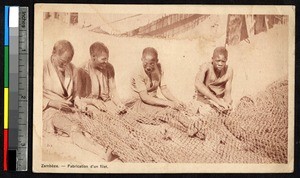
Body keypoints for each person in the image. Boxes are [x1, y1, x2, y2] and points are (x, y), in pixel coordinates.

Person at [43, 40, 108, 161]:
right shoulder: (42, 67)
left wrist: (82, 105)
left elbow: (76, 97)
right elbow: (32, 96)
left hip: (69, 109)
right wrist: (52, 103)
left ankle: (106, 145)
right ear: (53, 53)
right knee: (74, 128)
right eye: (62, 61)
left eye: (68, 62)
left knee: (90, 123)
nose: (65, 65)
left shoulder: (72, 69)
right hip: (51, 110)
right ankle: (100, 152)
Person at [127, 47, 185, 120]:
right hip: (140, 103)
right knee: (166, 113)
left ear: (157, 61)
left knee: (176, 109)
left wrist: (176, 101)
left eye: (151, 64)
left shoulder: (159, 68)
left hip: (153, 100)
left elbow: (164, 89)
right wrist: (168, 103)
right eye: (145, 63)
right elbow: (145, 97)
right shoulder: (138, 72)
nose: (148, 67)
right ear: (141, 59)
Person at [76, 41, 126, 115]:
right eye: (103, 59)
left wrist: (119, 103)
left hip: (106, 103)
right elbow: (77, 98)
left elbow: (113, 90)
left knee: (121, 113)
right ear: (93, 57)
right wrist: (93, 102)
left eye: (107, 58)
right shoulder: (81, 70)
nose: (106, 61)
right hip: (89, 104)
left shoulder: (109, 68)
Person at [194, 46, 233, 114]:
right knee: (207, 112)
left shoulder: (229, 71)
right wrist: (218, 102)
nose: (220, 64)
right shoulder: (206, 67)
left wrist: (227, 104)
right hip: (203, 100)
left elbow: (228, 94)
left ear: (226, 60)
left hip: (219, 101)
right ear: (212, 59)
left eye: (223, 61)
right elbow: (198, 84)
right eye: (218, 61)